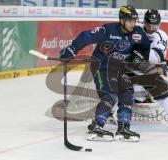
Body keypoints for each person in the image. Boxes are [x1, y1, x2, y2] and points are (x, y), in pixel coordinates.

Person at [60, 5, 151, 142]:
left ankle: (123, 127)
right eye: (130, 20)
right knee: (110, 94)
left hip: (120, 69)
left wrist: (136, 56)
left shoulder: (137, 32)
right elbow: (86, 36)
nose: (133, 23)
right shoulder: (108, 30)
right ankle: (97, 125)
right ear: (121, 20)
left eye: (134, 20)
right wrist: (72, 49)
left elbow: (145, 46)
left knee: (127, 95)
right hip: (101, 66)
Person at [129, 9, 168, 132]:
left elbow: (155, 57)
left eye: (155, 25)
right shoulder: (136, 29)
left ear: (159, 24)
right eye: (149, 25)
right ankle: (134, 102)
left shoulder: (162, 36)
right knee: (127, 88)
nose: (151, 28)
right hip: (132, 66)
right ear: (144, 22)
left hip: (150, 67)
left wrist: (136, 52)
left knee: (164, 89)